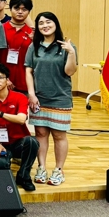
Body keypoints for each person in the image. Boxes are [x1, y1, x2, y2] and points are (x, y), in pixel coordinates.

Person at [26, 12, 77, 187]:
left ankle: (58, 170)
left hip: (60, 99)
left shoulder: (66, 46)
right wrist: (31, 94)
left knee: (59, 135)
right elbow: (28, 71)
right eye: (41, 23)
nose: (45, 25)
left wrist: (71, 53)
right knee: (40, 134)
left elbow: (70, 71)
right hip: (39, 98)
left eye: (48, 22)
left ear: (56, 24)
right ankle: (41, 167)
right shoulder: (34, 46)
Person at [0, 63, 39, 191]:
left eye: (0, 77)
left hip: (18, 142)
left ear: (7, 80)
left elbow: (21, 119)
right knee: (0, 164)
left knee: (32, 142)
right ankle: (7, 179)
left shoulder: (20, 97)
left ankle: (24, 175)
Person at [0, 0, 34, 94]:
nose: (20, 12)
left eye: (24, 9)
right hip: (1, 82)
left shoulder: (32, 33)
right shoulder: (0, 29)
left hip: (24, 82)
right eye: (16, 8)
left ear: (29, 12)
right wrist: (4, 77)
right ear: (10, 9)